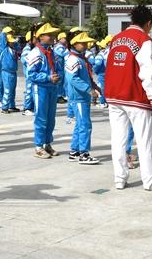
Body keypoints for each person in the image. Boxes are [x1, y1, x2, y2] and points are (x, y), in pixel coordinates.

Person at [105, 5, 152, 191]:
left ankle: (120, 179)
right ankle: (150, 181)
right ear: (148, 23)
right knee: (145, 141)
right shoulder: (144, 40)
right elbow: (146, 72)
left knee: (118, 139)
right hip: (134, 96)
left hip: (114, 95)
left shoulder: (116, 39)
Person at [28, 23, 63, 159]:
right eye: (49, 35)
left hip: (52, 88)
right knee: (41, 118)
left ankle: (47, 144)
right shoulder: (35, 53)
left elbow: (58, 67)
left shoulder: (52, 52)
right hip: (41, 88)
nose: (53, 37)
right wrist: (47, 77)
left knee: (50, 118)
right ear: (41, 37)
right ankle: (38, 147)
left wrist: (58, 76)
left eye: (53, 34)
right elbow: (31, 74)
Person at [65, 31, 100, 164]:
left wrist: (94, 86)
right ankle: (84, 154)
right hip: (78, 97)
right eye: (83, 43)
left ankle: (74, 151)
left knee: (80, 124)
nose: (86, 45)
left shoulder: (80, 58)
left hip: (82, 96)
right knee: (85, 125)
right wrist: (88, 89)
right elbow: (72, 79)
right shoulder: (73, 59)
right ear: (74, 44)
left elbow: (85, 77)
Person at [0, 31, 20, 114]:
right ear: (7, 42)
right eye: (11, 42)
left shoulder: (13, 50)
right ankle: (4, 107)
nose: (12, 43)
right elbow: (2, 39)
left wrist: (12, 37)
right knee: (7, 90)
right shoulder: (4, 49)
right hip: (6, 72)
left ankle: (11, 106)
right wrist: (5, 33)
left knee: (12, 90)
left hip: (13, 72)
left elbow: (18, 45)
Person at [93, 35, 112, 108]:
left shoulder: (101, 54)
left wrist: (95, 71)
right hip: (109, 73)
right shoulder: (112, 51)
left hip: (102, 73)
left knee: (101, 88)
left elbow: (97, 64)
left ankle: (103, 102)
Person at [20, 30, 36, 116]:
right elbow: (24, 60)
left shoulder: (32, 48)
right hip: (29, 74)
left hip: (32, 74)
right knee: (29, 91)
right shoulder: (27, 49)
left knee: (32, 91)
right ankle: (27, 108)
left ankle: (31, 107)